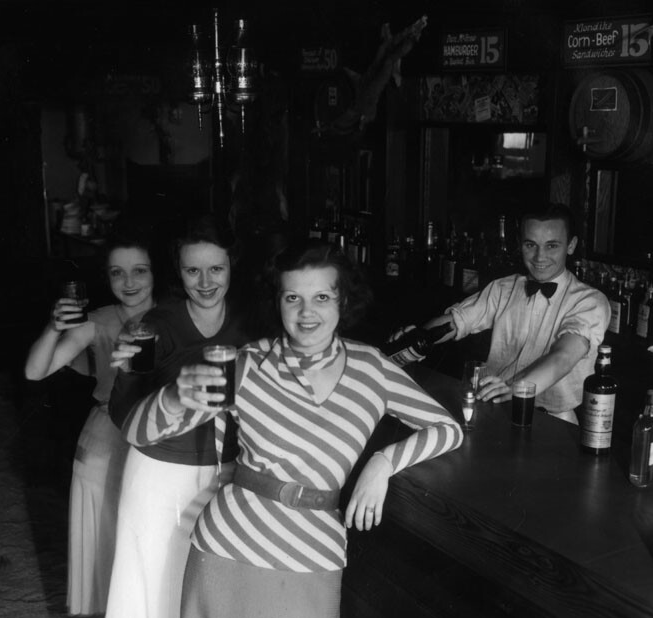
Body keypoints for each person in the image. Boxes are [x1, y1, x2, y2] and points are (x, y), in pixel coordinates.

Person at [120, 239, 463, 618]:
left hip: (315, 552)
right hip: (229, 546)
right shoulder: (247, 363)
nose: (306, 313)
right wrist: (171, 398)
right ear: (277, 302)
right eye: (292, 299)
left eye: (321, 298)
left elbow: (447, 428)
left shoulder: (374, 370)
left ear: (343, 302)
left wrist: (383, 463)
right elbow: (137, 434)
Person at [104, 213, 251, 618]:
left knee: (210, 592)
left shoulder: (252, 322)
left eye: (216, 269)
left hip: (228, 473)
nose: (205, 283)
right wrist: (125, 371)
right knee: (152, 584)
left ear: (231, 265)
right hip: (159, 474)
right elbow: (123, 415)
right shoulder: (153, 326)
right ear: (179, 272)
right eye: (192, 270)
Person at [24, 231, 157, 616]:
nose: (129, 283)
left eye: (140, 271)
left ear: (156, 274)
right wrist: (53, 326)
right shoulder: (98, 321)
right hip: (107, 439)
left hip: (160, 442)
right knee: (106, 550)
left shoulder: (176, 317)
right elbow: (35, 371)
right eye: (118, 273)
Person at [394, 203, 610, 424]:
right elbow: (457, 321)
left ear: (571, 245)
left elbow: (563, 357)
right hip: (496, 410)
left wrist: (515, 388)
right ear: (520, 244)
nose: (539, 257)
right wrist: (418, 336)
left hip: (552, 422)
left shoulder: (590, 302)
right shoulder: (503, 288)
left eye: (552, 246)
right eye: (530, 244)